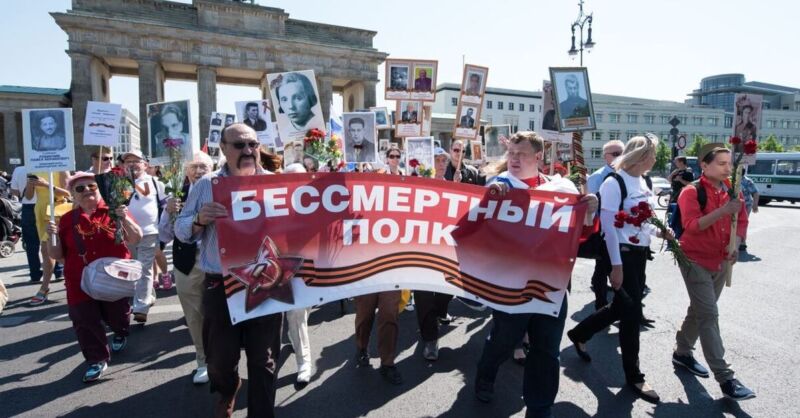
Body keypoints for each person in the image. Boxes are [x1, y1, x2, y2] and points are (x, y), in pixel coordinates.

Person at [474, 132, 597, 418]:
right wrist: (487, 204)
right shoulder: (498, 186)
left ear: (539, 157)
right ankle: (486, 374)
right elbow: (473, 229)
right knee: (504, 341)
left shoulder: (561, 189)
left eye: (522, 154)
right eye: (511, 153)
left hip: (551, 284)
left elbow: (580, 237)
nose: (514, 159)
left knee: (547, 350)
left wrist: (589, 212)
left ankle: (540, 408)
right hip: (510, 284)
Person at [176, 123, 283, 417]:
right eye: (239, 145)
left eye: (252, 144)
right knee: (219, 361)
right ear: (222, 148)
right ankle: (228, 388)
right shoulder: (206, 185)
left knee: (264, 360)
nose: (248, 151)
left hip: (267, 282)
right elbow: (181, 230)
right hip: (220, 284)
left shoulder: (277, 184)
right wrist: (199, 220)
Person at [566, 134, 666, 404]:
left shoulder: (645, 181)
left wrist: (661, 233)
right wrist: (616, 267)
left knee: (622, 307)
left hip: (640, 253)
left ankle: (579, 333)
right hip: (620, 255)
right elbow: (609, 230)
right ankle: (635, 376)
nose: (655, 160)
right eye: (653, 155)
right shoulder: (614, 182)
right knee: (631, 315)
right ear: (641, 156)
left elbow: (646, 219)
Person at [672, 143, 755, 401]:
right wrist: (723, 211)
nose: (727, 168)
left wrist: (735, 244)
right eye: (721, 163)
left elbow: (741, 220)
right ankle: (726, 378)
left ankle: (682, 352)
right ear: (704, 165)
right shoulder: (691, 191)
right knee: (709, 314)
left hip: (721, 261)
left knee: (700, 310)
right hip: (693, 260)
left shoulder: (732, 190)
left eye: (729, 163)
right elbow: (692, 226)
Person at [47, 171, 142, 382]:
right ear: (73, 194)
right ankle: (96, 360)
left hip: (114, 277)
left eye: (92, 186)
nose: (87, 191)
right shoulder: (66, 220)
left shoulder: (115, 210)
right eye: (80, 188)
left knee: (117, 315)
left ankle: (120, 331)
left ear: (100, 189)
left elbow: (136, 238)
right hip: (78, 279)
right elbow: (56, 254)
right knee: (84, 319)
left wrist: (124, 218)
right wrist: (51, 236)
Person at [159, 151, 214, 384]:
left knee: (221, 312)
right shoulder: (176, 194)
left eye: (203, 167)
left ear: (212, 169)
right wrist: (168, 211)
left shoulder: (220, 189)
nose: (198, 171)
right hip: (187, 260)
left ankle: (224, 358)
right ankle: (203, 361)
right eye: (194, 167)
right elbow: (164, 235)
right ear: (186, 171)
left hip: (217, 259)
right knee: (194, 314)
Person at [353, 159, 404, 385]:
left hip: (392, 270)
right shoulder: (359, 207)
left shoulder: (401, 207)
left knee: (389, 315)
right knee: (364, 314)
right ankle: (361, 347)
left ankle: (387, 362)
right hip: (366, 270)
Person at [123, 150, 166, 323]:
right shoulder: (119, 183)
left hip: (149, 232)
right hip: (127, 232)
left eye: (136, 161)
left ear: (145, 164)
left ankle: (140, 308)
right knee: (135, 269)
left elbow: (166, 204)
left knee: (144, 268)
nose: (132, 164)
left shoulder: (155, 182)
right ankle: (149, 295)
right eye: (128, 161)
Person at [282, 162, 314, 384]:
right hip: (284, 266)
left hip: (310, 265)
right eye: (291, 178)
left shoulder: (316, 201)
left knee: (304, 310)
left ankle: (295, 335)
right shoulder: (274, 203)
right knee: (296, 312)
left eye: (300, 178)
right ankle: (304, 362)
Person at [585, 140, 624, 310]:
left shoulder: (626, 174)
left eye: (622, 153)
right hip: (603, 231)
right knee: (603, 267)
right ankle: (601, 305)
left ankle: (623, 307)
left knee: (617, 266)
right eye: (615, 154)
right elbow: (591, 207)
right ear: (605, 157)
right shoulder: (598, 177)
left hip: (623, 231)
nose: (619, 157)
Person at [28, 171, 70, 306]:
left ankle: (45, 287)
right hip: (40, 211)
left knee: (47, 250)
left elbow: (68, 193)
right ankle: (76, 276)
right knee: (46, 251)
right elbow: (28, 197)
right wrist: (30, 184)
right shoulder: (33, 168)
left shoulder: (61, 169)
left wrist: (46, 184)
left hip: (56, 210)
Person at [10, 166, 45, 283]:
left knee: (31, 244)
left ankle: (35, 274)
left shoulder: (19, 170)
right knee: (51, 239)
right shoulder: (48, 165)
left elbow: (14, 191)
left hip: (28, 207)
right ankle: (58, 270)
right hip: (46, 204)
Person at [738, 175, 759, 251]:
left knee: (742, 222)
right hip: (734, 205)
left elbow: (755, 193)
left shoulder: (747, 181)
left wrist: (755, 205)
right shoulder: (730, 179)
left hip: (746, 205)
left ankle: (742, 242)